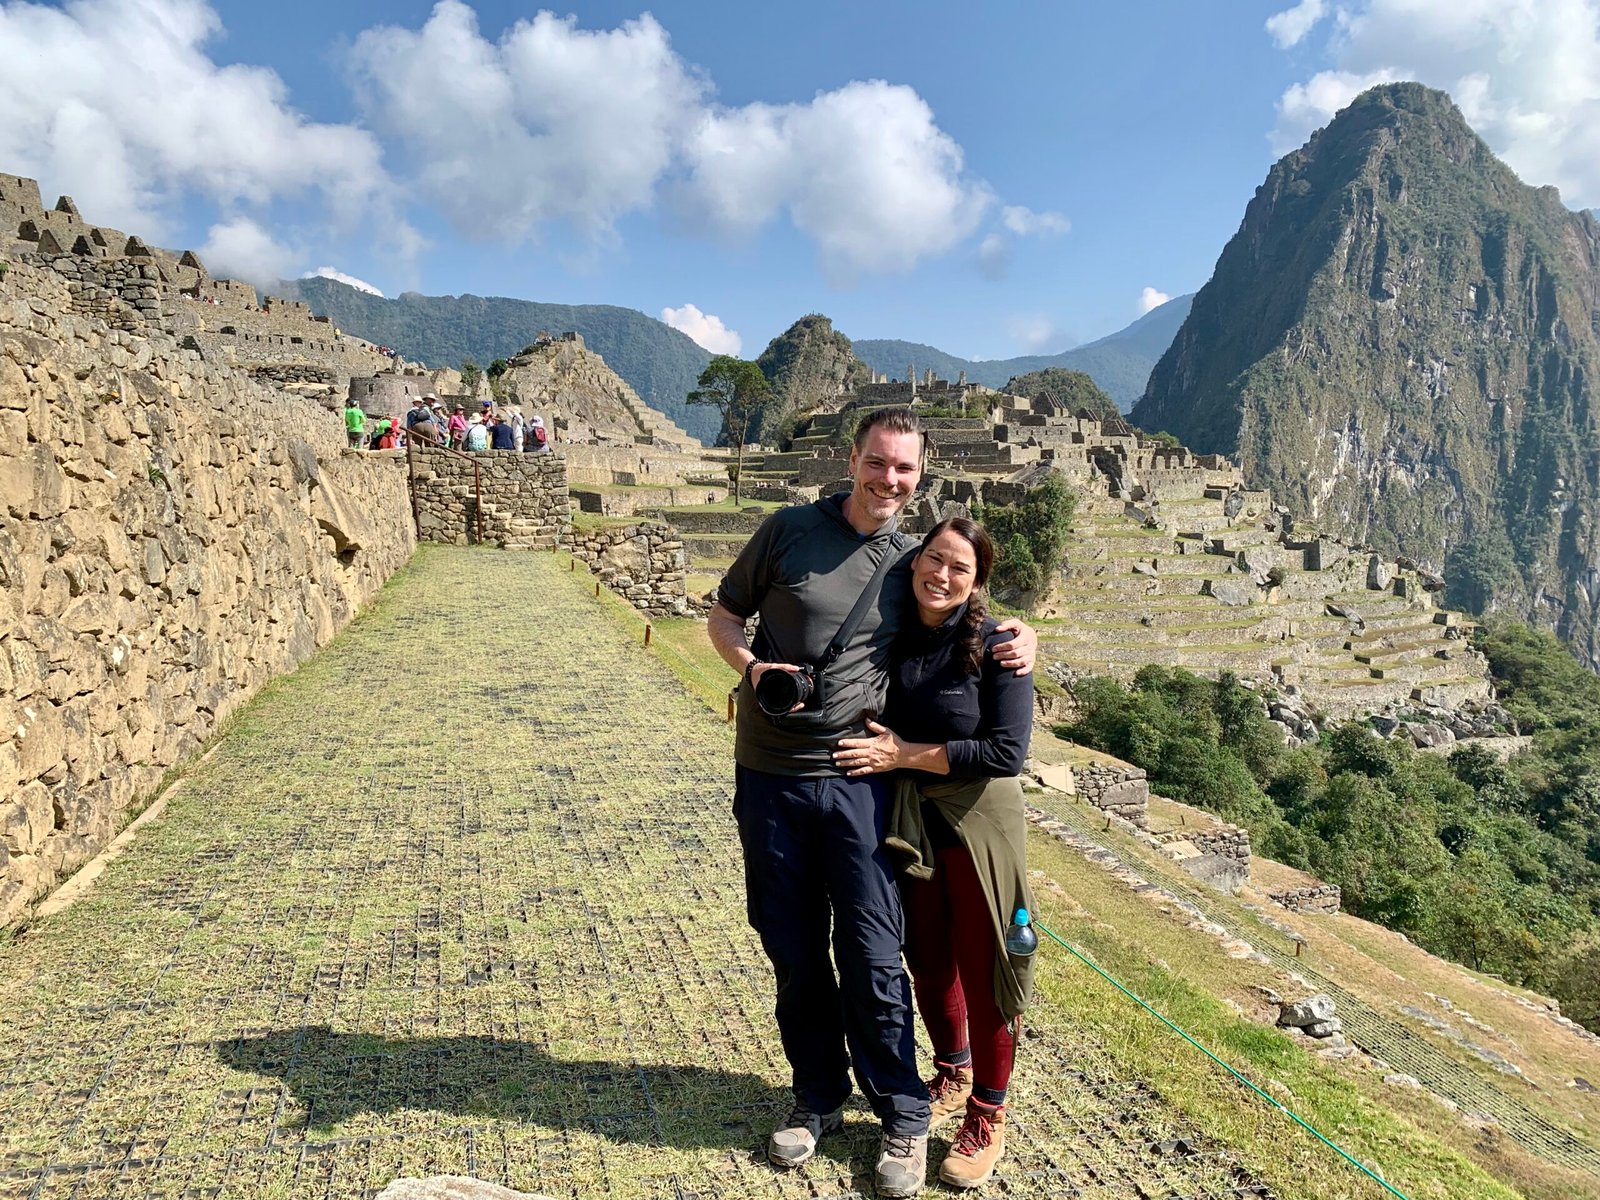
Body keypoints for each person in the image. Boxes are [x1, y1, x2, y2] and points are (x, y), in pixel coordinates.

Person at [707, 408, 1036, 1198]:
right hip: (770, 775)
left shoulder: (909, 559)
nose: (890, 480)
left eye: (904, 469)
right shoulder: (786, 531)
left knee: (873, 952)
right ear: (851, 458)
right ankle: (817, 1095)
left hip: (860, 783)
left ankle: (903, 1114)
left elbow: (961, 602)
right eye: (878, 463)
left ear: (919, 476)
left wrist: (1023, 638)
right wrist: (751, 667)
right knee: (792, 949)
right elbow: (723, 616)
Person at [832, 517, 1034, 1190]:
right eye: (935, 559)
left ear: (977, 583)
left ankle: (988, 1114)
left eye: (960, 568)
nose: (942, 575)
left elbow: (1006, 752)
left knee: (986, 969)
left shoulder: (998, 645)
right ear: (915, 560)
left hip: (978, 824)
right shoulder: (892, 628)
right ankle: (953, 1071)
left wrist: (903, 754)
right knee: (927, 958)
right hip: (914, 819)